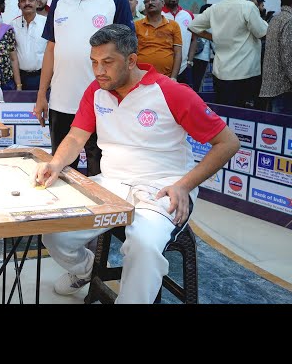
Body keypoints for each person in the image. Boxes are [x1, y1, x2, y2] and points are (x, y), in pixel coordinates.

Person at [33, 23, 240, 303]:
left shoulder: (171, 92)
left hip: (164, 188)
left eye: (107, 62)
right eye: (93, 62)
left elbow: (228, 143)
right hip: (111, 183)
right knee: (55, 232)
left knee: (143, 246)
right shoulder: (95, 91)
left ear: (131, 61)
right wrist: (57, 163)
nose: (98, 71)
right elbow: (76, 136)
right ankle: (84, 270)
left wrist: (184, 185)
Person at [34, 0, 134, 176]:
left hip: (102, 101)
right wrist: (41, 94)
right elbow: (51, 48)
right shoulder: (59, 0)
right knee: (61, 168)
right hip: (61, 101)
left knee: (99, 170)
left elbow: (126, 51)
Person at [188, 0, 268, 108]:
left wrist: (212, 37)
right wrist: (258, 12)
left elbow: (193, 26)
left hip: (221, 72)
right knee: (244, 118)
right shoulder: (248, 7)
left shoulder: (215, 7)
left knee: (224, 113)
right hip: (245, 72)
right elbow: (262, 33)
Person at [259, 0, 292, 114]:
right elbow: (289, 59)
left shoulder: (276, 19)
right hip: (284, 91)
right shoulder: (289, 21)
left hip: (271, 89)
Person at [135, 0, 182, 79]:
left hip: (166, 78)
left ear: (162, 3)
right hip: (141, 77)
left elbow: (178, 53)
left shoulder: (173, 25)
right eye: (147, 1)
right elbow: (131, 52)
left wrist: (174, 77)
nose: (150, 3)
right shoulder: (136, 25)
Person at [161, 0, 197, 87]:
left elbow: (194, 39)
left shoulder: (188, 15)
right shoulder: (159, 15)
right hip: (163, 68)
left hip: (184, 68)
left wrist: (190, 61)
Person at [10, 0, 47, 90]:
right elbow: (12, 56)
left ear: (37, 3)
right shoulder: (12, 25)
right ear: (19, 5)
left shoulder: (47, 24)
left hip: (42, 76)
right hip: (20, 78)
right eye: (23, 0)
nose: (27, 3)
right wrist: (18, 85)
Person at [191, 4, 214, 93]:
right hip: (202, 57)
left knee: (193, 80)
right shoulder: (208, 22)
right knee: (198, 81)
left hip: (193, 55)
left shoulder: (196, 20)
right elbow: (215, 39)